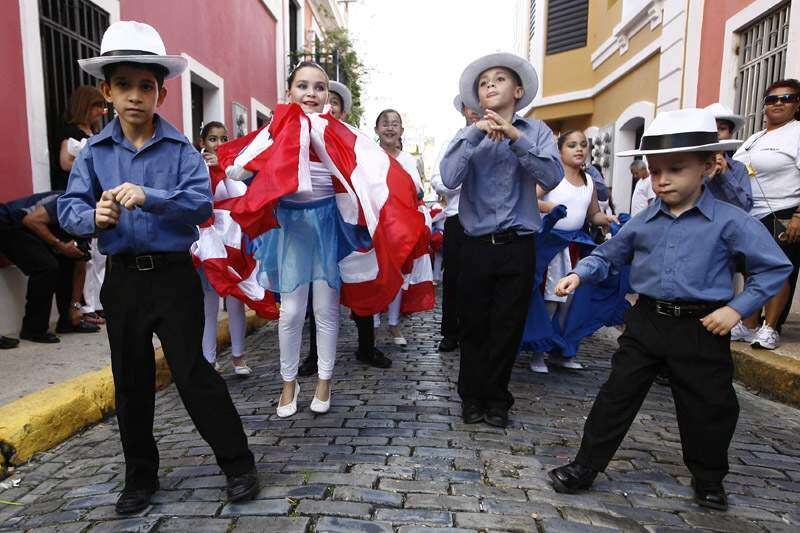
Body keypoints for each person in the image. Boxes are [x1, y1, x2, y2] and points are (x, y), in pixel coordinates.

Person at [57, 21, 258, 514]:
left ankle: (238, 464)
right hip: (123, 280)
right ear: (107, 91)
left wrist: (151, 196)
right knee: (130, 379)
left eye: (145, 86)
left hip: (173, 277)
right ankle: (140, 480)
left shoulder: (181, 150)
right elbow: (68, 209)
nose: (134, 96)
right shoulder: (94, 153)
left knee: (193, 372)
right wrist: (92, 216)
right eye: (123, 85)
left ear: (161, 93)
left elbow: (199, 205)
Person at [547, 108, 791, 512]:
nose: (662, 180)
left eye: (675, 169)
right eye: (654, 169)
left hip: (702, 325)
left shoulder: (731, 222)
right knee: (616, 396)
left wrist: (737, 308)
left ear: (709, 166)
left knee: (709, 406)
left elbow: (775, 268)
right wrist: (582, 273)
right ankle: (585, 465)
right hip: (646, 322)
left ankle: (709, 479)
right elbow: (610, 254)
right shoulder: (644, 221)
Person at [441, 52, 563, 428]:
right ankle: (471, 397)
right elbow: (448, 177)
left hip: (518, 246)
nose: (490, 85)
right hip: (475, 244)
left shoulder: (537, 130)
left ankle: (497, 399)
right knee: (473, 324)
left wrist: (514, 137)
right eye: (483, 82)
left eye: (499, 79)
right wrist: (475, 133)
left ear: (518, 90)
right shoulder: (467, 134)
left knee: (507, 326)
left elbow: (552, 175)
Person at [297, 80, 393, 377]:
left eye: (335, 102)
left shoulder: (353, 139)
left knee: (360, 279)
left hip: (351, 223)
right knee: (318, 289)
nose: (330, 105)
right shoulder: (303, 137)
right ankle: (315, 355)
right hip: (317, 224)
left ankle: (366, 346)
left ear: (341, 109)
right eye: (329, 100)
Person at [526, 130, 618, 373]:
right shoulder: (551, 177)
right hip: (551, 247)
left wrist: (608, 218)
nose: (579, 149)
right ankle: (538, 352)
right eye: (572, 145)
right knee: (551, 300)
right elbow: (527, 200)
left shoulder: (589, 182)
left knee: (571, 303)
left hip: (576, 246)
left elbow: (593, 214)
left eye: (583, 145)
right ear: (560, 150)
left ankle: (561, 351)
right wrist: (551, 207)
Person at [731, 79, 800, 350]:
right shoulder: (755, 138)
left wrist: (798, 215)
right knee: (751, 271)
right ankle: (749, 324)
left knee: (779, 270)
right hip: (751, 212)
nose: (779, 103)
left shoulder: (797, 133)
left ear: (797, 104)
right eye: (772, 99)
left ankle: (770, 327)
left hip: (783, 210)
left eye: (787, 98)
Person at [0, 191, 100, 343]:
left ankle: (67, 321)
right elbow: (30, 220)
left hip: (29, 229)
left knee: (68, 262)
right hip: (8, 222)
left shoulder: (88, 225)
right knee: (46, 267)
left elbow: (80, 267)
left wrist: (75, 306)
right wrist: (60, 245)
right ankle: (33, 329)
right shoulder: (68, 203)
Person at [196, 121, 251, 375]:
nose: (218, 144)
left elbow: (239, 195)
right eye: (213, 139)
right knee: (209, 303)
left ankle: (238, 357)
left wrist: (223, 168)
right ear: (202, 142)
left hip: (232, 242)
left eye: (223, 139)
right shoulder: (196, 168)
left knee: (236, 300)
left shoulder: (231, 169)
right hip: (208, 244)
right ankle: (209, 359)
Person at [430, 95, 480, 353]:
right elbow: (439, 179)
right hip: (457, 217)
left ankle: (476, 331)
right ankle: (450, 332)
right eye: (469, 106)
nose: (475, 111)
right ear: (463, 110)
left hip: (487, 220)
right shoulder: (453, 141)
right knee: (454, 278)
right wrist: (465, 181)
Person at [374, 108, 426, 347]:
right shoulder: (369, 155)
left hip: (400, 228)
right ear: (376, 130)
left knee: (397, 275)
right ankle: (373, 324)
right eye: (385, 123)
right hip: (375, 225)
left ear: (401, 130)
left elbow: (417, 191)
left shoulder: (407, 160)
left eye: (395, 123)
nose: (390, 127)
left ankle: (394, 323)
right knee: (374, 275)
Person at [50, 85, 106, 191]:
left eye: (102, 106)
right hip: (72, 189)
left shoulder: (95, 133)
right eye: (97, 105)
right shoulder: (70, 131)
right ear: (84, 105)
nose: (101, 111)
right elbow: (65, 163)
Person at [704, 103, 753, 211]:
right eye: (711, 128)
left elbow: (745, 208)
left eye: (722, 128)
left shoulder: (739, 168)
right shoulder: (690, 163)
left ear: (730, 134)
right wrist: (706, 178)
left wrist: (726, 175)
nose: (716, 133)